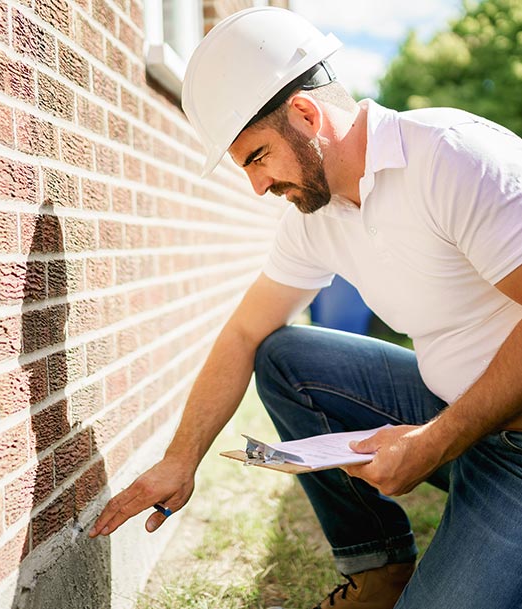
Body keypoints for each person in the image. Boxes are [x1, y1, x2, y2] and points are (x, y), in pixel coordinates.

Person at [89, 7, 522, 608]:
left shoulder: (453, 157)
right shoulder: (317, 213)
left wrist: (435, 440)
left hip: (513, 449)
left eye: (258, 157)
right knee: (285, 355)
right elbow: (244, 332)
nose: (257, 187)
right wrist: (180, 459)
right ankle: (380, 573)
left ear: (305, 114)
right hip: (452, 414)